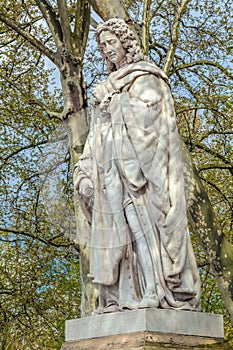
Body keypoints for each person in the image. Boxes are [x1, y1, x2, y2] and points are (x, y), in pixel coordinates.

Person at [73, 18, 201, 314]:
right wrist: (86, 170)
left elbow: (151, 123)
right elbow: (97, 135)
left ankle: (155, 289)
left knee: (141, 232)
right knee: (122, 236)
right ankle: (125, 296)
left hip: (140, 177)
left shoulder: (146, 78)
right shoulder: (107, 87)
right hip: (112, 177)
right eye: (102, 46)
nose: (107, 50)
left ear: (125, 43)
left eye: (111, 43)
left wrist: (115, 102)